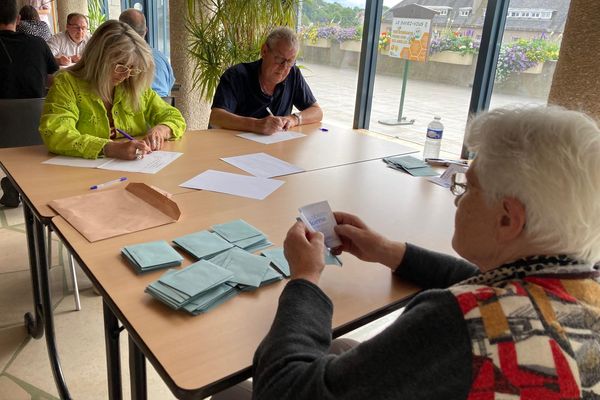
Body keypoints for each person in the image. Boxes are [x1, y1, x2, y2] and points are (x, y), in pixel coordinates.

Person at [251, 106, 600, 399]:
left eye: (467, 186)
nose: (458, 198)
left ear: (508, 218)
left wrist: (305, 279)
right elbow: (490, 285)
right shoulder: (581, 296)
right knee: (344, 349)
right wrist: (390, 252)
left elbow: (284, 390)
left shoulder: (457, 323)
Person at [39, 20, 186, 160]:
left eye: (132, 68)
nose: (127, 74)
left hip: (135, 167)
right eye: (120, 67)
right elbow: (55, 133)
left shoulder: (132, 84)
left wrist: (161, 130)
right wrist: (110, 148)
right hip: (83, 174)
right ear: (98, 60)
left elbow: (174, 116)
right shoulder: (67, 83)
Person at [210, 26, 322, 135]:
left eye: (290, 61)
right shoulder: (236, 75)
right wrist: (256, 125)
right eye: (279, 59)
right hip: (233, 147)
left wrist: (293, 119)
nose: (284, 67)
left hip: (273, 148)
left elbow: (317, 112)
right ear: (264, 51)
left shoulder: (293, 74)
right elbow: (216, 117)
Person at [0, 0, 58, 208]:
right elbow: (52, 79)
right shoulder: (38, 43)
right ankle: (19, 183)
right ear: (18, 19)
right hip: (36, 124)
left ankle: (13, 182)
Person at [119, 8, 175, 97]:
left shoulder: (121, 59)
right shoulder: (161, 57)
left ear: (121, 31)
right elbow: (170, 84)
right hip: (166, 105)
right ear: (146, 30)